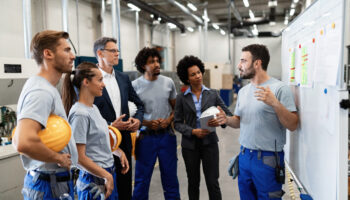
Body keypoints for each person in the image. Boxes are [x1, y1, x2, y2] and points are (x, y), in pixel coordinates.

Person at [221, 44, 299, 200]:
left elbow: (293, 124)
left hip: (268, 160)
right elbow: (239, 121)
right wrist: (227, 119)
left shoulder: (279, 89)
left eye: (243, 61)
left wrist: (275, 103)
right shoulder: (243, 92)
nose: (239, 66)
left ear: (257, 63)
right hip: (244, 156)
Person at [12, 30, 78, 200]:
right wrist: (58, 158)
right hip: (49, 185)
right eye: (67, 50)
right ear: (48, 54)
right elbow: (23, 141)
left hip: (53, 183)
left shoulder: (45, 87)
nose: (72, 56)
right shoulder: (41, 91)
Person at [61, 62, 129, 199]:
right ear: (86, 82)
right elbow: (78, 157)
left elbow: (98, 141)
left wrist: (118, 151)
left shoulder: (93, 109)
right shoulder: (80, 114)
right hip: (93, 182)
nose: (103, 84)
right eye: (99, 80)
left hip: (106, 176)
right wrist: (106, 175)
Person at [174, 55, 232, 200]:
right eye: (193, 74)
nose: (198, 76)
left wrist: (219, 119)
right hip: (190, 146)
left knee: (213, 182)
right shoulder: (181, 97)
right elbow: (177, 123)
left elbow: (227, 115)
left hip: (210, 144)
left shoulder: (213, 94)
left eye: (199, 72)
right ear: (187, 79)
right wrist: (193, 131)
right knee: (193, 182)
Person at [93, 37, 144, 200]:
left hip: (124, 144)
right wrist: (110, 126)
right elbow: (85, 112)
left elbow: (139, 104)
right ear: (100, 53)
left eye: (117, 50)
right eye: (113, 50)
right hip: (100, 145)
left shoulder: (123, 78)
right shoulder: (88, 80)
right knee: (104, 192)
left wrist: (138, 121)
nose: (117, 54)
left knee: (124, 191)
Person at [132, 47, 180, 200]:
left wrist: (168, 120)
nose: (156, 64)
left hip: (167, 137)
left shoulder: (168, 82)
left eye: (158, 61)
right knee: (141, 180)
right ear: (142, 66)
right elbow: (131, 114)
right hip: (145, 138)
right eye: (151, 62)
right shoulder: (134, 86)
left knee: (171, 179)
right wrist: (146, 122)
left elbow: (176, 109)